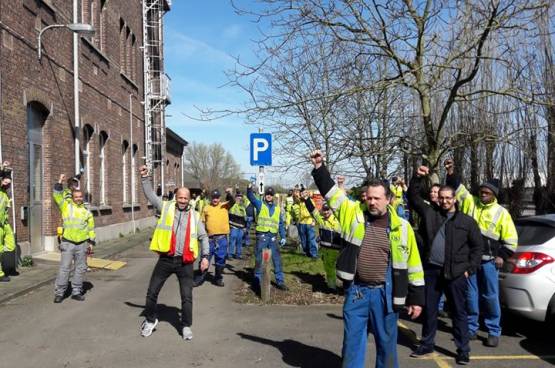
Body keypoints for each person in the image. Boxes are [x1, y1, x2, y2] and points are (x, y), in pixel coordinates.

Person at [309, 150, 424, 368]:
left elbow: (414, 265)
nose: (371, 202)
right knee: (352, 345)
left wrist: (417, 298)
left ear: (388, 199)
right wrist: (319, 167)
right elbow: (333, 194)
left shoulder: (403, 227)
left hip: (385, 294)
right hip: (357, 292)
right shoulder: (353, 213)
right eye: (369, 197)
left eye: (377, 198)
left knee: (387, 346)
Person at [408, 165, 483, 365]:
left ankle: (463, 350)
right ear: (437, 198)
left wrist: (469, 269)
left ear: (454, 199)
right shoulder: (430, 213)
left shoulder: (467, 222)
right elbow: (413, 197)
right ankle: (426, 345)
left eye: (448, 198)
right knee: (430, 310)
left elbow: (478, 248)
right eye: (441, 197)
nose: (444, 201)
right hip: (432, 271)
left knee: (459, 312)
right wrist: (416, 177)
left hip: (457, 273)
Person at [445, 159, 518, 348]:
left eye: (487, 192)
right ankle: (471, 329)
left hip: (489, 262)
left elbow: (511, 239)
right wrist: (451, 171)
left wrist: (502, 255)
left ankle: (494, 331)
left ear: (494, 195)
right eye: (481, 191)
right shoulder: (472, 203)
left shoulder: (501, 213)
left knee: (490, 297)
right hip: (470, 261)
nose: (483, 194)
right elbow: (459, 189)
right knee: (470, 296)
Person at [139, 165, 209, 339]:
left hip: (185, 262)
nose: (183, 201)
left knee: (186, 297)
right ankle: (150, 320)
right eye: (180, 197)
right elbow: (150, 195)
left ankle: (186, 326)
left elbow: (203, 237)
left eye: (185, 198)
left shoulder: (194, 215)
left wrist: (205, 257)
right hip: (166, 259)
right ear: (176, 197)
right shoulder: (166, 208)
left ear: (189, 199)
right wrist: (144, 178)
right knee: (152, 292)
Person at [53, 173, 96, 303]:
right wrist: (60, 181)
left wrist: (91, 242)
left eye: (80, 197)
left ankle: (76, 291)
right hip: (68, 243)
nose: (78, 199)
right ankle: (59, 293)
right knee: (64, 268)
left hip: (82, 244)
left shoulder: (86, 212)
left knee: (80, 268)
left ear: (82, 198)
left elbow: (91, 229)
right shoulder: (66, 206)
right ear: (72, 197)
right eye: (76, 197)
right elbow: (56, 195)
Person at [247, 183, 287, 292]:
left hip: (273, 238)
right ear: (265, 195)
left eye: (270, 194)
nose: (269, 196)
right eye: (267, 194)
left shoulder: (277, 209)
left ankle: (280, 281)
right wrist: (249, 188)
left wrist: (283, 236)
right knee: (259, 259)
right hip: (262, 237)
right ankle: (257, 281)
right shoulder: (260, 205)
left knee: (277, 260)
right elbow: (251, 197)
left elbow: (280, 224)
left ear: (273, 196)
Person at [194, 187, 235, 287]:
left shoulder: (224, 206)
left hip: (221, 239)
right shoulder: (206, 208)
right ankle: (199, 278)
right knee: (204, 258)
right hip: (209, 239)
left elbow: (233, 201)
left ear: (220, 198)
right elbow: (202, 223)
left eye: (217, 197)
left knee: (220, 260)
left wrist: (230, 194)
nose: (215, 199)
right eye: (213, 197)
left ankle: (218, 278)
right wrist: (201, 236)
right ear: (211, 198)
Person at [302, 196, 342, 293]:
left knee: (342, 270)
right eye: (324, 210)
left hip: (339, 250)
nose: (326, 212)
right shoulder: (321, 219)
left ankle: (345, 287)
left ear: (331, 210)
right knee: (329, 269)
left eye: (328, 210)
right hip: (327, 250)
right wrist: (306, 199)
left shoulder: (339, 220)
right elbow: (312, 210)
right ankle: (331, 287)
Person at [0, 161, 16, 282]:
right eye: (5, 183)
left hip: (4, 224)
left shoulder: (5, 194)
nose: (7, 185)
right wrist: (3, 167)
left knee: (11, 245)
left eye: (9, 184)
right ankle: (0, 274)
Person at [296, 186, 318, 259]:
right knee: (303, 239)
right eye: (302, 193)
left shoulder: (310, 201)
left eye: (306, 193)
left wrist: (314, 221)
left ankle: (314, 254)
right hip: (301, 223)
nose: (304, 194)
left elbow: (314, 212)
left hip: (309, 222)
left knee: (311, 239)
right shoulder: (299, 201)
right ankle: (306, 252)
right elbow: (294, 196)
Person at [228, 192, 247, 260]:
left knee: (239, 242)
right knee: (232, 241)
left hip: (241, 227)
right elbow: (230, 199)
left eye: (240, 196)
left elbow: (244, 217)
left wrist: (245, 226)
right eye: (237, 196)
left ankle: (238, 255)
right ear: (235, 198)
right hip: (233, 226)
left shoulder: (243, 205)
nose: (239, 198)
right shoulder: (233, 204)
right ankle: (230, 254)